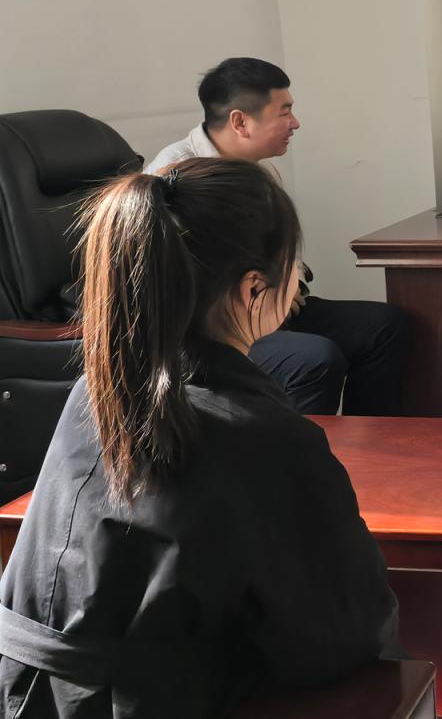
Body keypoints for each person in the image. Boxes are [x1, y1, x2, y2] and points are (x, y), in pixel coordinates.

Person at [0, 158, 399, 717]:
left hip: (28, 695)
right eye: (295, 265)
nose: (298, 278)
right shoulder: (267, 439)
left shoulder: (96, 391)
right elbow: (344, 637)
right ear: (254, 288)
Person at [146, 57, 408, 416]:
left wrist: (288, 280)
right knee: (316, 358)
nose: (295, 123)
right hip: (209, 329)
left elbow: (280, 247)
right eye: (284, 112)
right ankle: (300, 450)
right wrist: (266, 292)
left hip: (266, 305)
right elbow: (175, 277)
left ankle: (369, 445)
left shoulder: (262, 172)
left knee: (383, 327)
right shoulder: (175, 175)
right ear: (240, 121)